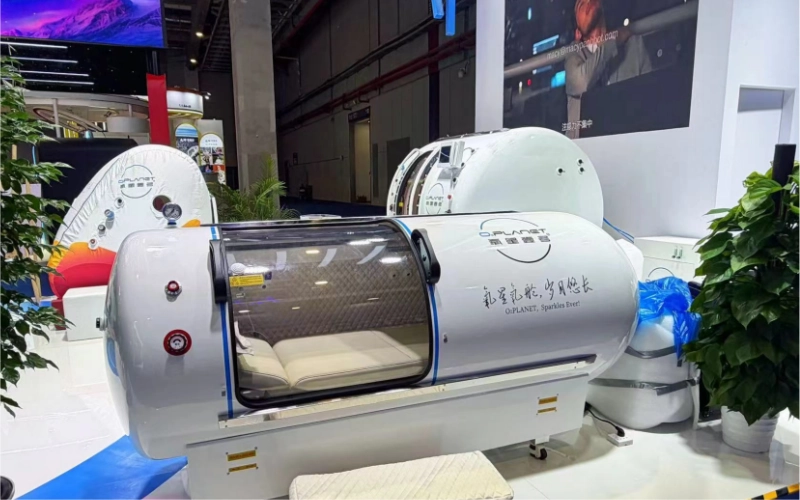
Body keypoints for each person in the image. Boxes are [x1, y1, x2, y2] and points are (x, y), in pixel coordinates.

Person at [565, 0, 652, 138]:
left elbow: (650, 98)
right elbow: (581, 82)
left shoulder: (634, 46)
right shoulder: (574, 53)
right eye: (581, 4)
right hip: (583, 146)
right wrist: (613, 41)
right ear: (577, 33)